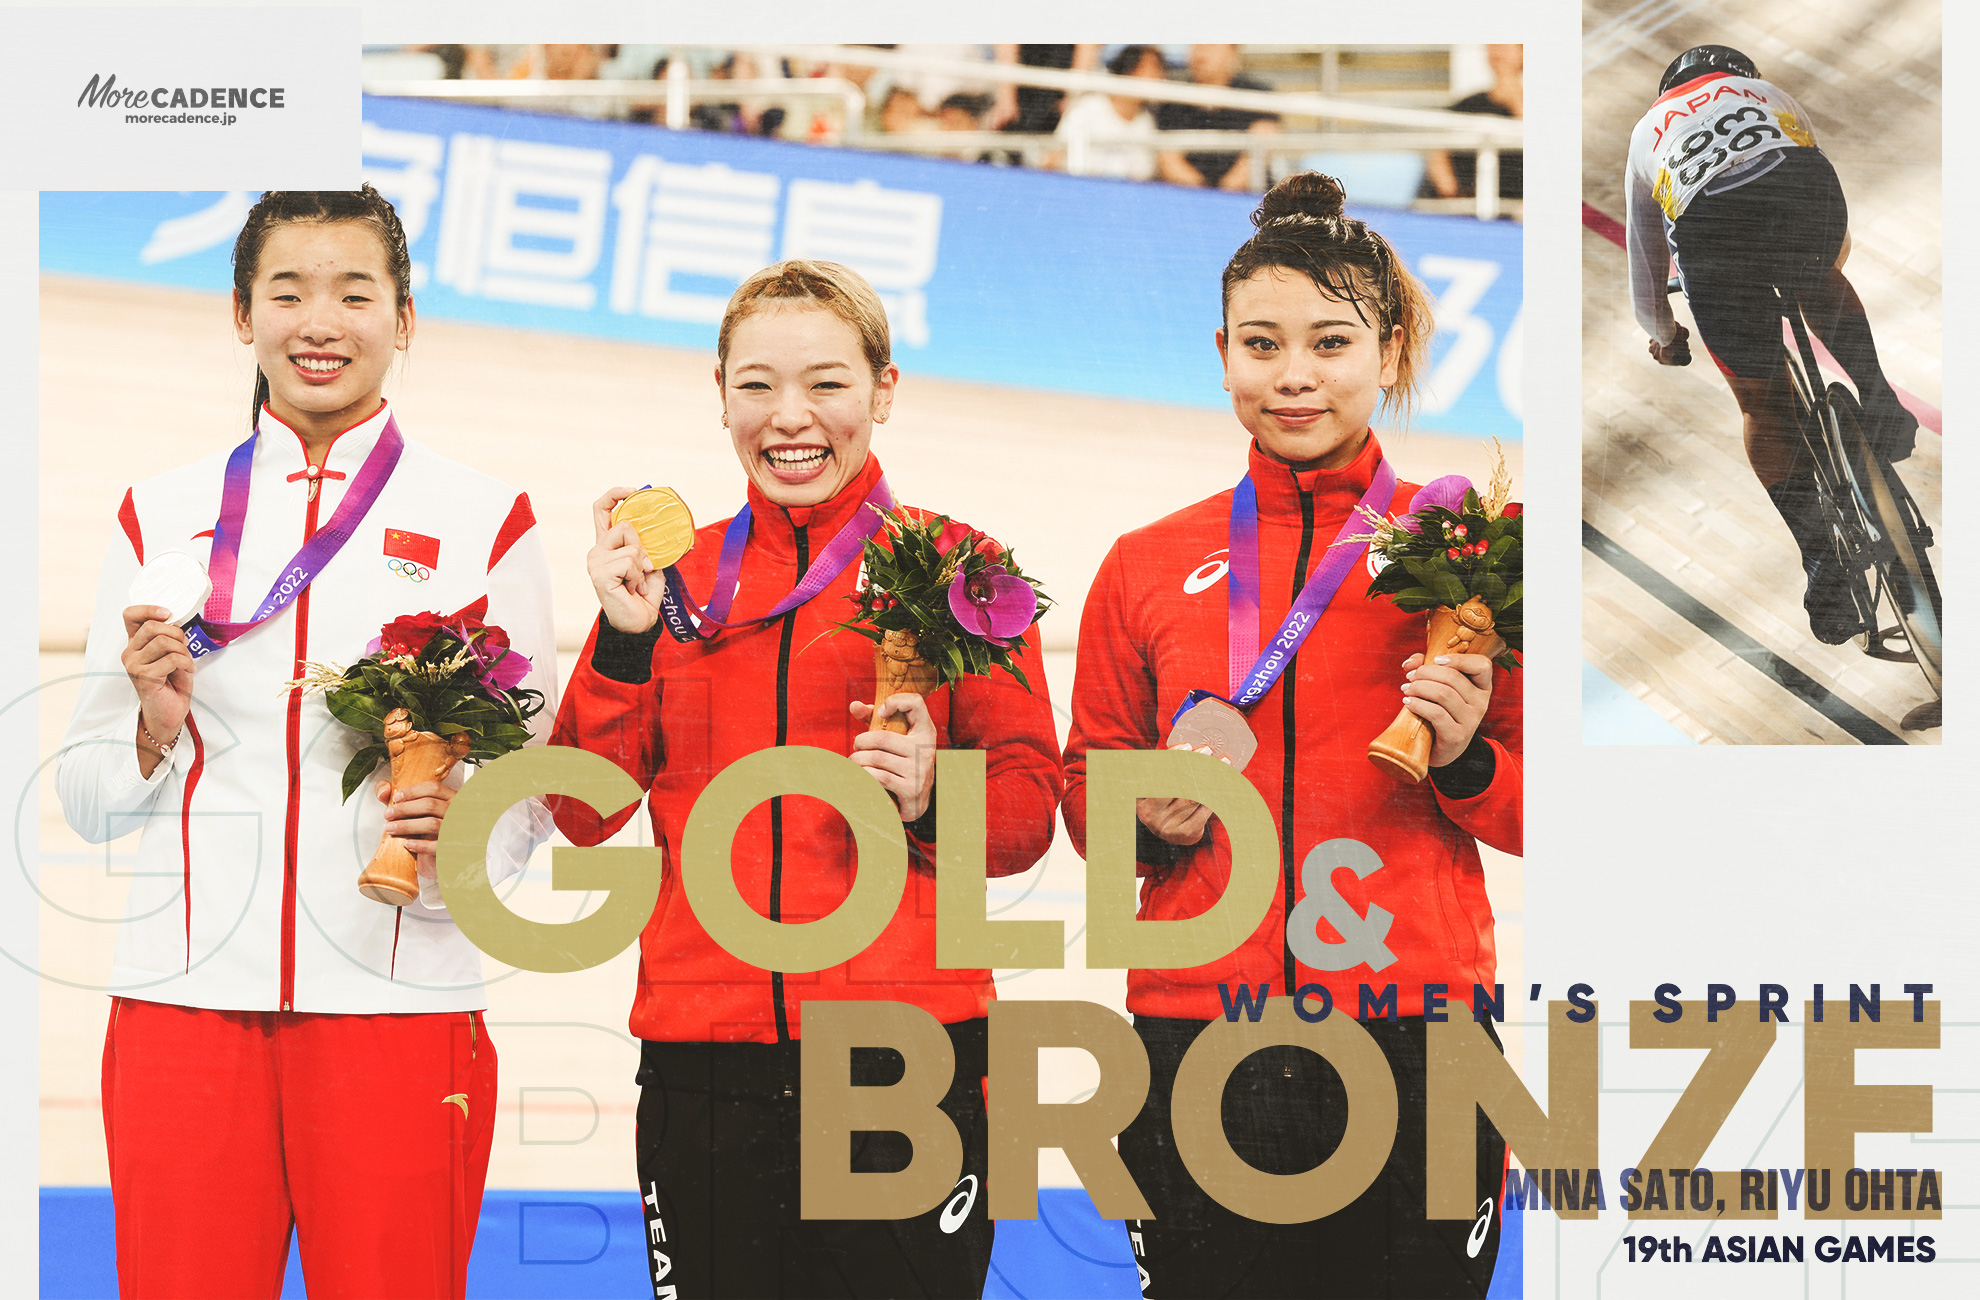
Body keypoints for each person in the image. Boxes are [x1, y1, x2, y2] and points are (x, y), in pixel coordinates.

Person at [56, 186, 558, 1298]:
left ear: (406, 316)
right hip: (183, 1008)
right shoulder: (163, 510)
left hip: (397, 1006)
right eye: (287, 291)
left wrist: (449, 839)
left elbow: (531, 805)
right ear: (244, 314)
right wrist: (150, 726)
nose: (319, 321)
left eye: (353, 292)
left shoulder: (488, 518)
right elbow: (88, 800)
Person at [549, 260, 1063, 1297]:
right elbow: (581, 810)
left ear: (884, 389)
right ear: (721, 394)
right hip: (706, 1059)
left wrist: (932, 798)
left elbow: (1028, 819)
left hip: (908, 1052)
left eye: (826, 383)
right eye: (757, 386)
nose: (791, 418)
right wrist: (621, 637)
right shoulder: (672, 577)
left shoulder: (963, 568)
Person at [1063, 172, 1522, 1298]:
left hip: (1419, 1024)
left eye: (1330, 341)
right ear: (1222, 353)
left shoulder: (1470, 553)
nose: (1295, 376)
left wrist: (1467, 761)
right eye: (1263, 345)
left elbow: (1546, 803)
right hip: (1194, 1026)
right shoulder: (1146, 563)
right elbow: (1080, 793)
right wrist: (1139, 817)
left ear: (1393, 345)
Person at [1626, 44, 1918, 644]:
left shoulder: (1645, 133)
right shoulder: (1771, 95)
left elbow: (1647, 253)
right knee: (1819, 273)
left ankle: (1820, 560)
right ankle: (1880, 398)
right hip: (1803, 194)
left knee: (1762, 405)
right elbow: (1828, 208)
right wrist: (1813, 274)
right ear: (1740, 79)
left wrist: (1664, 333)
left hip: (1714, 230)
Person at [1155, 43, 1279, 192]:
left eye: (1210, 46)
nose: (1200, 53)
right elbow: (1169, 160)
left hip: (1246, 196)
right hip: (1189, 196)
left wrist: (1226, 192)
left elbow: (1261, 148)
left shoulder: (1257, 95)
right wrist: (1206, 197)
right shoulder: (1173, 100)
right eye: (1196, 46)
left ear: (1232, 52)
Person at [1423, 43, 1524, 202]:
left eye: (1505, 48)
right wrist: (1452, 194)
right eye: (1493, 47)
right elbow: (1438, 154)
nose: (1498, 53)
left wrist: (1515, 99)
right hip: (1466, 204)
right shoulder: (1467, 105)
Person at [1050, 44, 1166, 181]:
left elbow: (1143, 176)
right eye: (1151, 69)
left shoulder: (1146, 123)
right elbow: (1052, 160)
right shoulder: (1088, 108)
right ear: (1129, 69)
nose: (1159, 77)